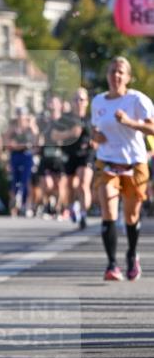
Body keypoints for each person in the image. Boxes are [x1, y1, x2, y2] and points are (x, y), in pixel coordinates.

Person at [90, 56, 154, 281]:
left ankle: (132, 255)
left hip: (134, 163)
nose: (115, 76)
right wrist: (96, 137)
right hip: (107, 162)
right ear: (107, 75)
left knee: (131, 215)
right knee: (108, 210)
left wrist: (129, 123)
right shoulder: (98, 101)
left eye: (120, 72)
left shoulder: (137, 100)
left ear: (128, 77)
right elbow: (95, 129)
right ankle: (111, 265)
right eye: (112, 71)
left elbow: (152, 129)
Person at [64, 87, 94, 230]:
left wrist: (95, 142)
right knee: (70, 186)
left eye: (81, 99)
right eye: (76, 99)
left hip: (86, 154)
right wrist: (70, 133)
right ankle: (72, 207)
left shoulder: (92, 119)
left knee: (83, 184)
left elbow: (100, 136)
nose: (78, 102)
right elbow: (54, 135)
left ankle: (83, 214)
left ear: (86, 102)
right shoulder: (66, 119)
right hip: (70, 154)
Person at [6, 108, 38, 216]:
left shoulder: (30, 126)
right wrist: (14, 145)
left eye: (22, 114)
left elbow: (36, 138)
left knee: (26, 180)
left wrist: (31, 124)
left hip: (27, 155)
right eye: (19, 114)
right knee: (14, 180)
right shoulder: (13, 126)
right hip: (15, 155)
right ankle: (14, 205)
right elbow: (7, 140)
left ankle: (25, 205)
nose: (20, 117)